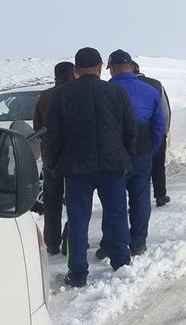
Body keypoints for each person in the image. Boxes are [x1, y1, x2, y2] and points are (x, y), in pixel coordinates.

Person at [43, 47, 135, 287]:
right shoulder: (117, 92)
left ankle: (78, 272)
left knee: (77, 219)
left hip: (75, 168)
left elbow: (51, 135)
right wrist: (127, 157)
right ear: (99, 67)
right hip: (112, 165)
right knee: (116, 214)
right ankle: (121, 262)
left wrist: (51, 163)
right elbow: (130, 130)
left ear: (75, 70)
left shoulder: (61, 95)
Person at [100, 49, 165, 257]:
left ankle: (112, 243)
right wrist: (152, 149)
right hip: (142, 149)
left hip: (114, 150)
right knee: (140, 197)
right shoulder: (150, 90)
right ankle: (138, 242)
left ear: (115, 67)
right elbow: (159, 125)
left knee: (113, 199)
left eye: (110, 69)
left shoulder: (105, 90)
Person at [33, 61, 75, 255]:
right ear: (73, 74)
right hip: (74, 158)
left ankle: (51, 243)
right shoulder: (76, 94)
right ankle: (70, 240)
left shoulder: (45, 96)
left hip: (50, 157)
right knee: (76, 199)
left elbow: (37, 128)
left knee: (52, 201)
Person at [132, 61, 172, 207]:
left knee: (136, 170)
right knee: (158, 166)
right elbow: (165, 110)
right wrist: (164, 131)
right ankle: (160, 195)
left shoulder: (121, 86)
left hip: (133, 136)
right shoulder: (156, 84)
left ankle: (136, 201)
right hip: (156, 132)